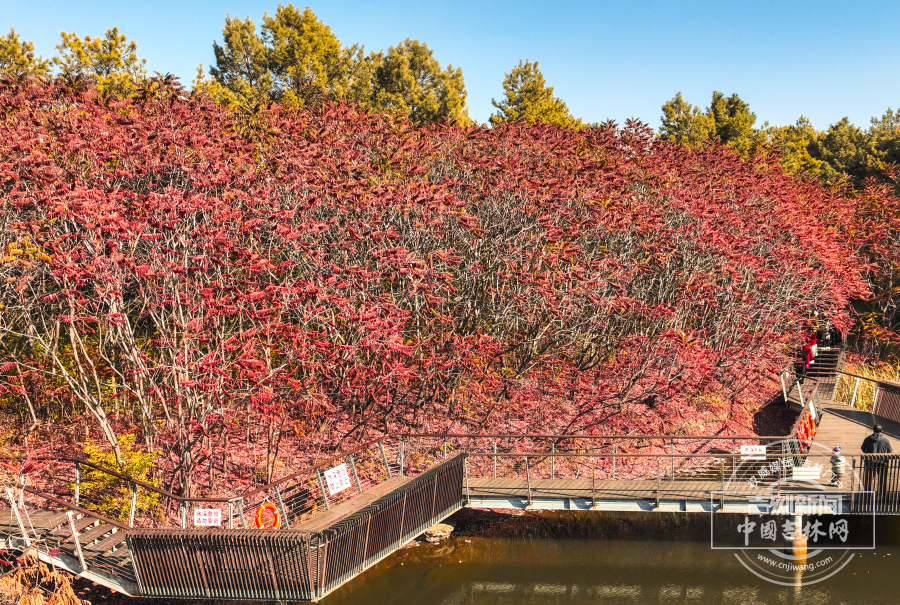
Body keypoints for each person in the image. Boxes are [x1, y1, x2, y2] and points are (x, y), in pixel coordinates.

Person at [861, 425, 893, 497]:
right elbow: (890, 451)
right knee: (882, 480)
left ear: (873, 430)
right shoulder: (885, 440)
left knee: (868, 480)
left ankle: (867, 495)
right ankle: (882, 495)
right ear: (881, 431)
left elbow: (863, 449)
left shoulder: (867, 439)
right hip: (882, 463)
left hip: (870, 462)